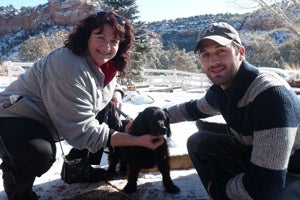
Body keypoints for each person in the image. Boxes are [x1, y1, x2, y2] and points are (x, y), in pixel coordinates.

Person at [0, 11, 164, 200]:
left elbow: (102, 84)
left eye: (114, 41)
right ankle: (17, 189)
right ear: (86, 36)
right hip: (15, 116)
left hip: (54, 118)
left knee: (106, 110)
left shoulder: (106, 64)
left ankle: (78, 169)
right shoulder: (67, 65)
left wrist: (116, 93)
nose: (107, 47)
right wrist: (134, 140)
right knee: (38, 153)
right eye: (100, 37)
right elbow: (83, 133)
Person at [165, 22, 300, 200]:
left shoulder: (269, 96)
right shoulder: (222, 91)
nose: (213, 61)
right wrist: (156, 117)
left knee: (268, 193)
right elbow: (191, 109)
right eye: (206, 54)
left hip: (292, 171)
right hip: (259, 159)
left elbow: (265, 184)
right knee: (199, 143)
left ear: (241, 53)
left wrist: (218, 190)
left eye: (221, 50)